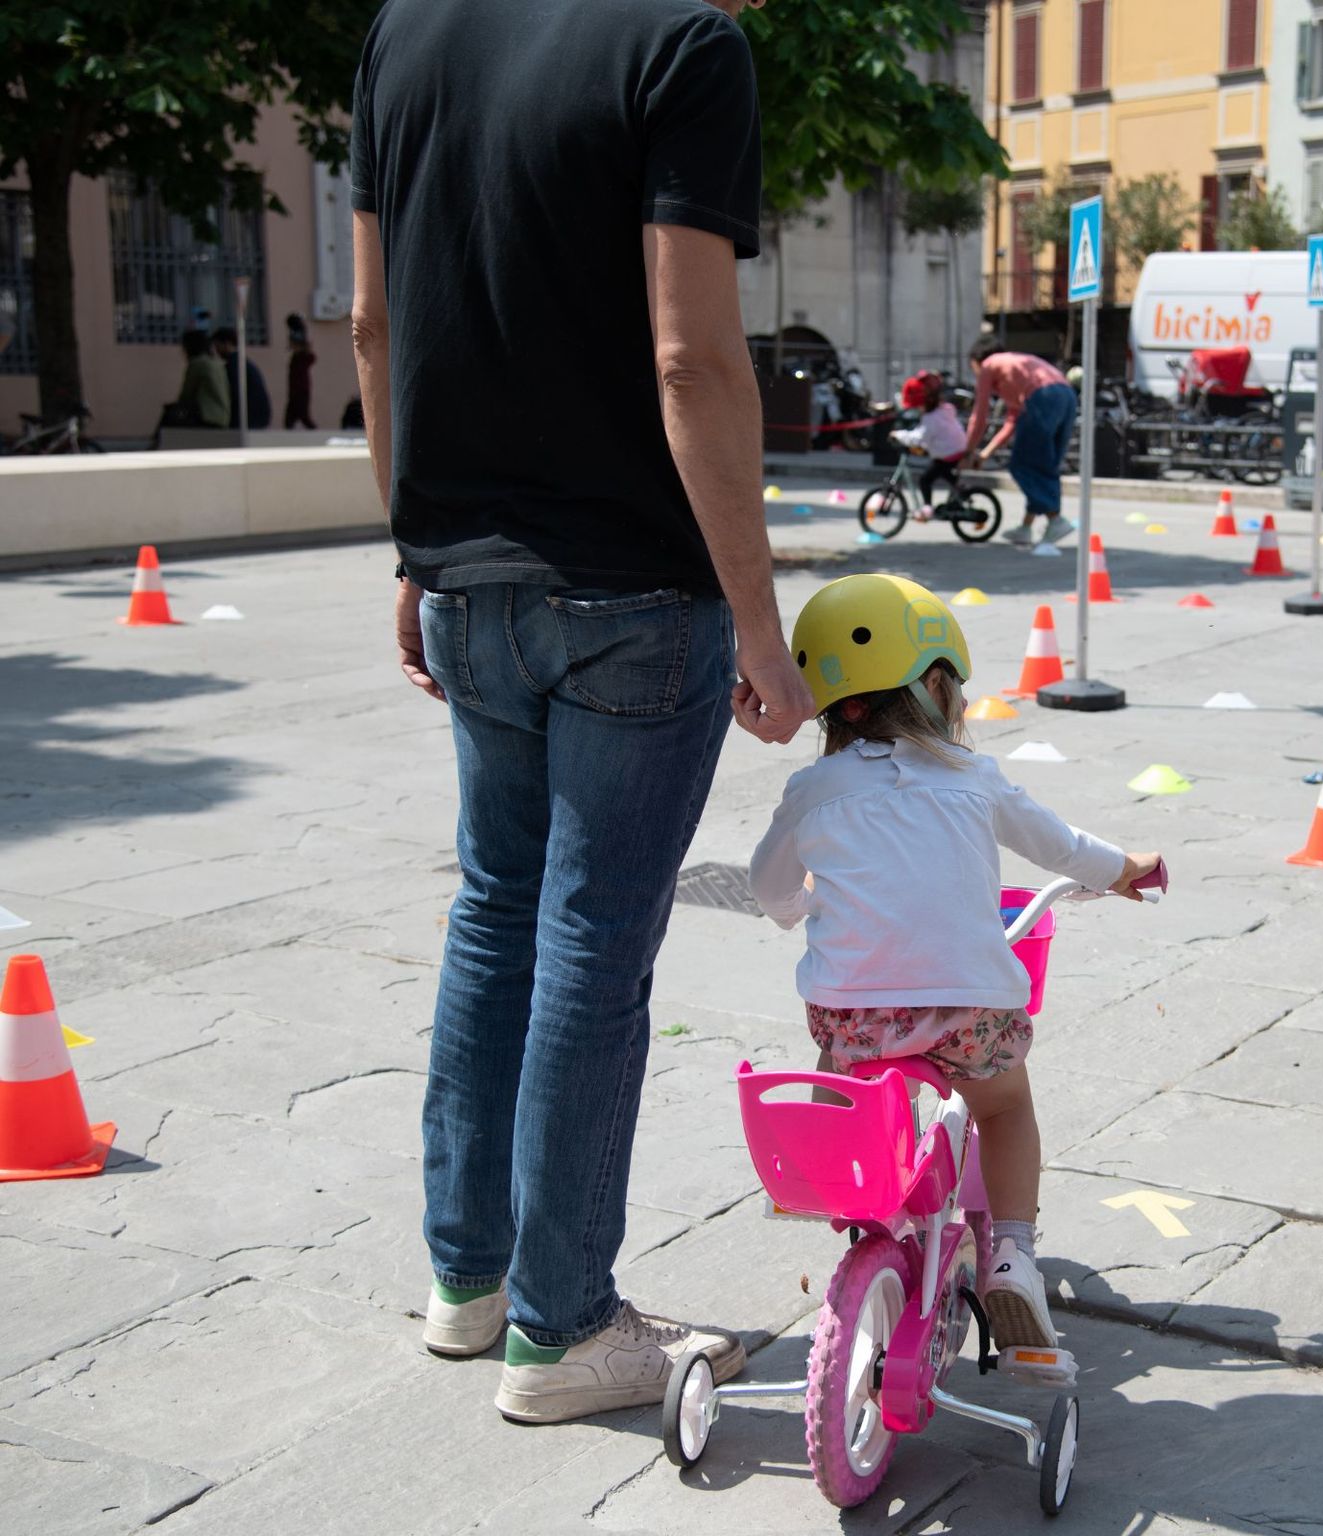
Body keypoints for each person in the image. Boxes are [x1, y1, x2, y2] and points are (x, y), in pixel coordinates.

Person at [350, 0, 814, 1424]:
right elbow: (695, 360)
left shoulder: (405, 31)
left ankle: (470, 1286)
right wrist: (758, 619)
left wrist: (414, 552)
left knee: (496, 913)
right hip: (629, 589)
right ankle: (564, 1332)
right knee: (592, 944)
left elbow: (372, 326)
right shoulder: (682, 48)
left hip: (468, 575)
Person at [749, 574, 1160, 1345]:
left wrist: (799, 907)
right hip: (969, 1011)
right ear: (936, 684)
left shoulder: (814, 789)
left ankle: (855, 1196)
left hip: (854, 1017)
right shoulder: (975, 778)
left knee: (846, 1066)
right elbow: (1064, 848)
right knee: (1005, 1110)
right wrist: (1127, 870)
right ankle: (1011, 1254)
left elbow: (767, 888)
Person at [962, 336, 1077, 547]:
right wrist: (986, 452)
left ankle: (1055, 519)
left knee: (1022, 465)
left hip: (1043, 396)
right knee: (1044, 465)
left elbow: (980, 415)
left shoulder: (989, 364)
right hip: (1066, 395)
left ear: (977, 361)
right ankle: (1026, 528)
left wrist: (967, 452)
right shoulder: (1014, 367)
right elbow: (1013, 420)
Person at [890, 369, 966, 520]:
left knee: (925, 479)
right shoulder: (945, 409)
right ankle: (960, 489)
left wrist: (899, 435)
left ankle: (927, 509)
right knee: (942, 471)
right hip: (957, 448)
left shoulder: (931, 419)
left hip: (947, 453)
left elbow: (919, 438)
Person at [210, 326, 272, 431]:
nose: (216, 350)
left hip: (248, 418)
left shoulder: (234, 365)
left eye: (217, 346)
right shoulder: (242, 362)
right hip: (258, 416)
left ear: (227, 344)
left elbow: (234, 394)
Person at [171, 329, 230, 429]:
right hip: (223, 417)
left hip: (205, 417)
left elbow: (186, 394)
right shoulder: (218, 364)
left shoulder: (197, 363)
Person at [285, 313, 317, 429]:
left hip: (300, 390)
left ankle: (318, 437)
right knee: (291, 419)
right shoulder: (298, 357)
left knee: (302, 417)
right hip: (297, 390)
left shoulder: (302, 357)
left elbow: (310, 356)